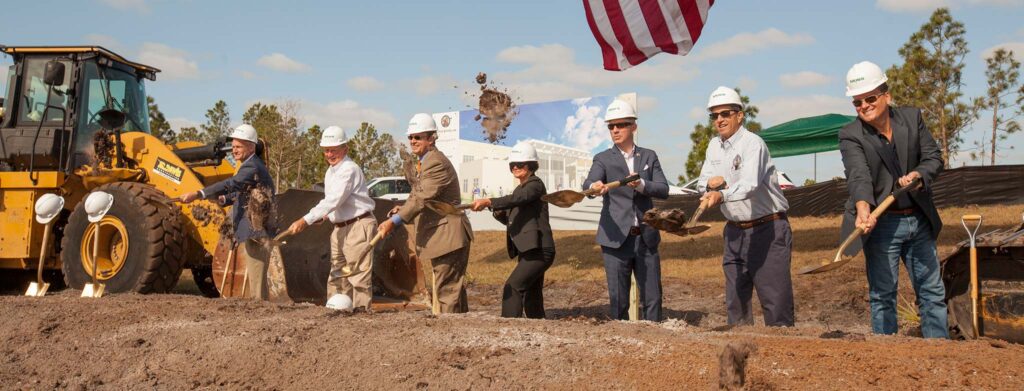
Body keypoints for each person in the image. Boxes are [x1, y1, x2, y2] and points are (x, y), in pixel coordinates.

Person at [839, 61, 947, 338]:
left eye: (870, 98)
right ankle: (888, 361)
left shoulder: (912, 118)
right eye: (857, 101)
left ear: (886, 95)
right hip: (881, 224)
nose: (864, 105)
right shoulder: (851, 135)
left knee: (932, 292)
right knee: (883, 296)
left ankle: (940, 354)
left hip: (918, 218)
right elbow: (858, 175)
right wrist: (863, 208)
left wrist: (919, 175)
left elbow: (933, 157)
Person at [697, 86, 794, 327]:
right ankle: (741, 358)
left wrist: (721, 195)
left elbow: (749, 185)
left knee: (775, 303)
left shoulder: (753, 144)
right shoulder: (713, 146)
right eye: (714, 115)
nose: (719, 120)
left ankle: (783, 357)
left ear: (740, 115)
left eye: (725, 114)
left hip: (767, 230)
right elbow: (701, 183)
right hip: (734, 232)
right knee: (736, 303)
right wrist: (710, 184)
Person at [378, 113, 473, 313]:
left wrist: (394, 221)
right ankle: (460, 332)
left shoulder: (435, 162)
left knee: (447, 291)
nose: (413, 141)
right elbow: (418, 193)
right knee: (451, 288)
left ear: (431, 138)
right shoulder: (425, 161)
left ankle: (451, 336)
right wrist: (403, 207)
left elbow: (422, 197)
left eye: (418, 137)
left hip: (449, 236)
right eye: (411, 137)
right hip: (443, 236)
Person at [583, 99, 669, 321]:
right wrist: (594, 187)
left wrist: (641, 185)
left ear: (633, 127)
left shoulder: (649, 156)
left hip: (646, 239)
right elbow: (590, 183)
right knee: (618, 300)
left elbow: (663, 189)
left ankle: (656, 342)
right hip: (615, 239)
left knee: (652, 298)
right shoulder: (602, 158)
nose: (615, 130)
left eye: (620, 125)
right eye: (611, 126)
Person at [180, 124, 276, 300]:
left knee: (256, 271)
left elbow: (232, 183)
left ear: (251, 147)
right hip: (253, 229)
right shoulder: (250, 166)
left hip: (257, 229)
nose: (234, 151)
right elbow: (242, 191)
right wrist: (224, 200)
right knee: (255, 271)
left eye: (238, 147)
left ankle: (261, 307)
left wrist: (199, 193)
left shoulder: (251, 166)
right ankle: (259, 305)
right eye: (233, 147)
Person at [286, 126, 376, 312]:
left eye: (333, 150)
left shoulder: (349, 169)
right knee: (337, 274)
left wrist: (306, 220)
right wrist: (325, 216)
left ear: (345, 149)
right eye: (326, 150)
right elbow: (336, 202)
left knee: (358, 275)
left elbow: (334, 199)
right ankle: (335, 313)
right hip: (340, 227)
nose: (329, 154)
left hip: (358, 226)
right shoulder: (331, 171)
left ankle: (361, 316)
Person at [470, 142, 555, 318]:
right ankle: (539, 327)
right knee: (532, 294)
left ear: (531, 165)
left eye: (520, 164)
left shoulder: (535, 184)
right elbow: (513, 219)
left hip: (539, 251)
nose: (515, 167)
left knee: (513, 287)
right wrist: (495, 210)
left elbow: (518, 199)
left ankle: (508, 326)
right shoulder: (521, 188)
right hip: (529, 249)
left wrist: (489, 201)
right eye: (512, 165)